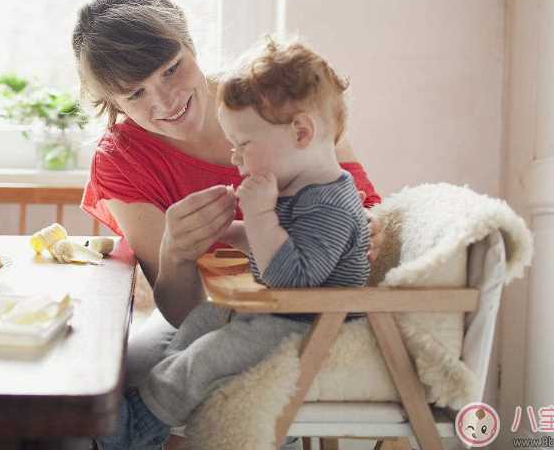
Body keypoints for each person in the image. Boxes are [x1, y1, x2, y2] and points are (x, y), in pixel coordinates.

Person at [72, 0, 383, 384]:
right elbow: (183, 314)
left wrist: (369, 224)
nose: (166, 101)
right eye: (136, 94)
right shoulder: (121, 160)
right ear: (115, 105)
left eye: (171, 69)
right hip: (214, 314)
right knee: (120, 379)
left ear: (190, 44)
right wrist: (177, 255)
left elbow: (368, 205)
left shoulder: (276, 99)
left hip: (313, 309)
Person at [94, 36, 370, 448]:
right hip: (281, 315)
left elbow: (291, 278)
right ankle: (159, 402)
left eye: (243, 146)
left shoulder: (328, 203)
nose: (236, 158)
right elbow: (283, 251)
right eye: (135, 93)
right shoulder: (302, 187)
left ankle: (142, 421)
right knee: (202, 322)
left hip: (310, 325)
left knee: (208, 357)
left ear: (301, 131)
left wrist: (257, 216)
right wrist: (226, 233)